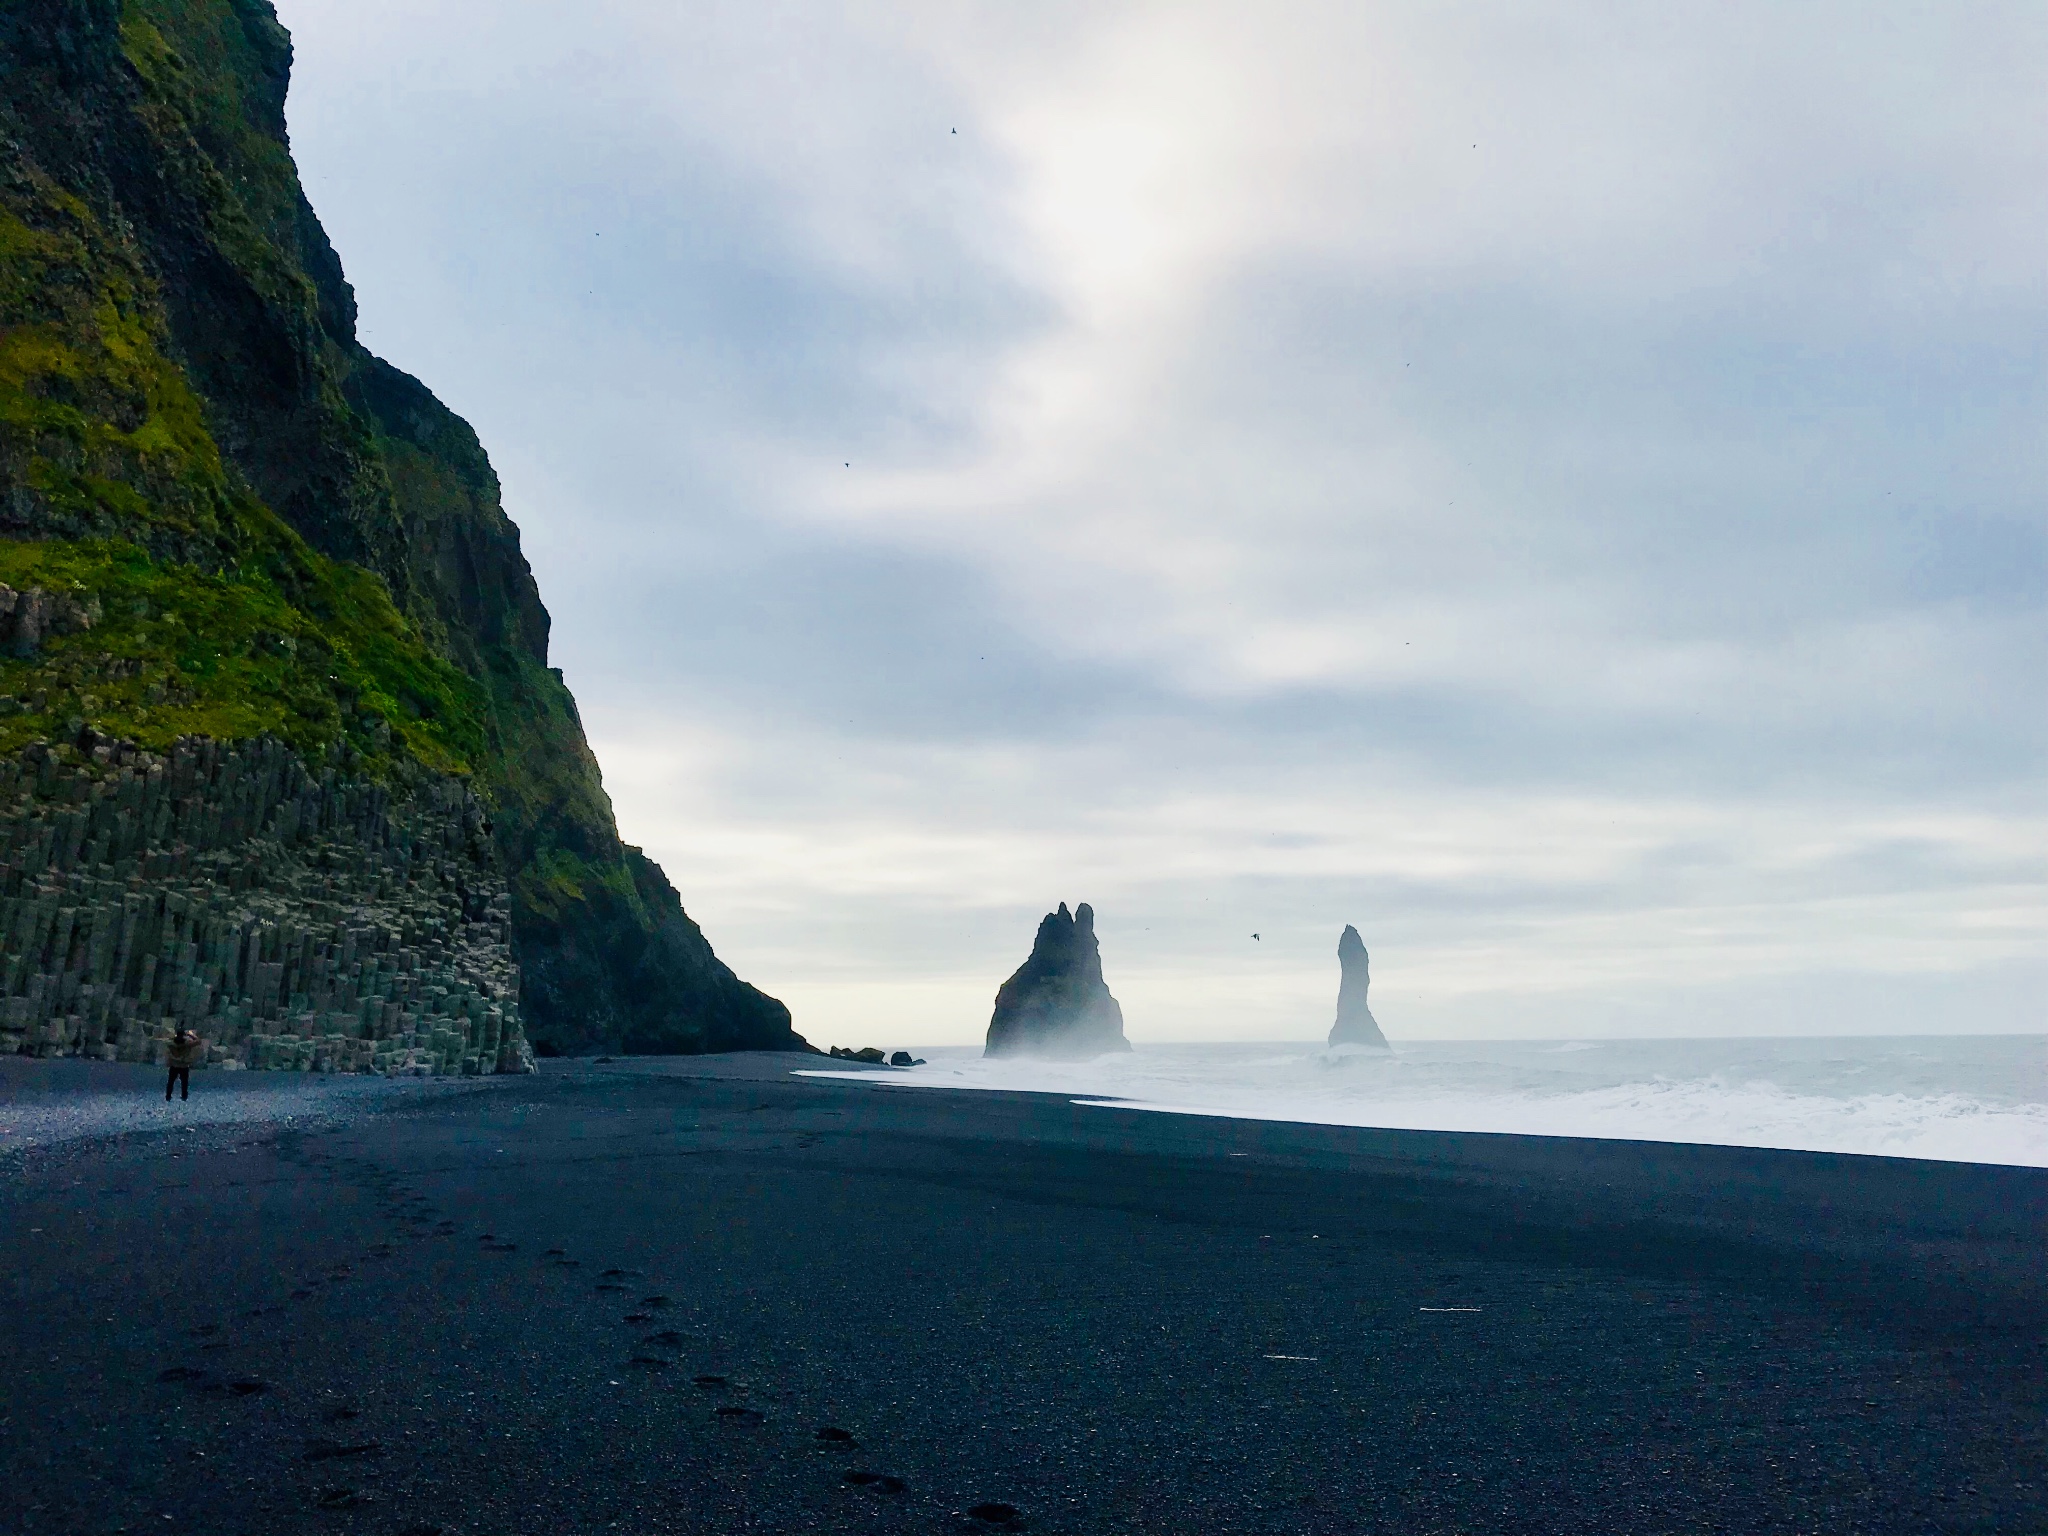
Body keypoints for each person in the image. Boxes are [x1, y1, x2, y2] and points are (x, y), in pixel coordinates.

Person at [165, 1028, 203, 1102]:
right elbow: (199, 1041)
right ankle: (184, 1096)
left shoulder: (172, 1043)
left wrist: (173, 1036)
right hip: (184, 1066)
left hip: (174, 1065)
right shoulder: (188, 1043)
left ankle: (168, 1096)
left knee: (170, 1082)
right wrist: (191, 1034)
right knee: (184, 1082)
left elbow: (168, 1041)